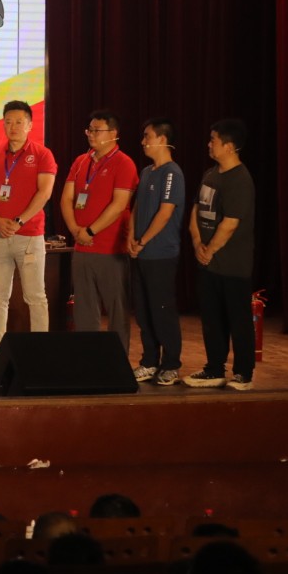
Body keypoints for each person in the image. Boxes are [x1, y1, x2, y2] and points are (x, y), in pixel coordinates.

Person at [0, 101, 58, 364]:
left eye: (19, 122)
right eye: (8, 122)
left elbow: (45, 192)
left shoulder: (43, 154)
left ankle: (40, 352)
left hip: (30, 236)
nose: (13, 127)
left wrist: (19, 221)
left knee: (35, 296)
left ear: (30, 125)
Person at [184, 119, 258, 390]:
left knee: (238, 320)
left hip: (233, 265)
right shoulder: (210, 174)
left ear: (229, 146)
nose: (209, 144)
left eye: (213, 140)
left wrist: (210, 250)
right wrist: (197, 243)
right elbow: (196, 209)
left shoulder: (240, 179)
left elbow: (230, 223)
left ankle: (243, 374)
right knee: (212, 320)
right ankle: (214, 369)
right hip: (208, 264)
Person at [59, 110, 138, 339]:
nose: (91, 134)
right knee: (84, 309)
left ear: (113, 133)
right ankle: (88, 355)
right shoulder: (81, 161)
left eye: (97, 130)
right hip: (82, 246)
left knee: (116, 308)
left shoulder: (124, 163)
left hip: (110, 249)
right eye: (89, 130)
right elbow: (66, 198)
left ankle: (117, 357)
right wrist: (75, 230)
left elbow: (119, 204)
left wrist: (91, 231)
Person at [127, 118, 186, 385]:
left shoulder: (172, 173)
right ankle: (149, 361)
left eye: (147, 136)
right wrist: (131, 237)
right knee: (143, 311)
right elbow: (137, 208)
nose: (143, 141)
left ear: (162, 139)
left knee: (162, 310)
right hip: (141, 253)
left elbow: (165, 212)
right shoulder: (147, 172)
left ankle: (171, 364)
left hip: (161, 254)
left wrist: (143, 241)